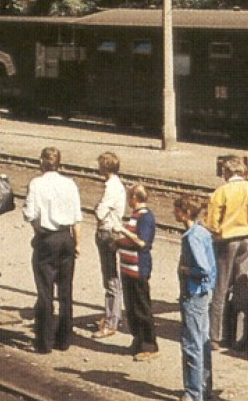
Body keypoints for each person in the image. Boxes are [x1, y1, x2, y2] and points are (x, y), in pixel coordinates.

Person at [205, 154, 248, 350]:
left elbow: (212, 223)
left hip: (226, 241)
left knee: (221, 287)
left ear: (227, 172)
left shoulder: (221, 192)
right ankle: (239, 337)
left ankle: (216, 336)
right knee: (243, 285)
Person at [24, 146, 82, 354]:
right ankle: (64, 339)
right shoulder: (70, 184)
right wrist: (76, 244)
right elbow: (77, 218)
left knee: (45, 291)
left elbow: (31, 215)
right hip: (67, 238)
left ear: (41, 162)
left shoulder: (36, 184)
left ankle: (44, 342)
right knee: (66, 291)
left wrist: (40, 232)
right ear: (59, 163)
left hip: (46, 238)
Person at [172, 193, 217, 401]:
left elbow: (203, 268)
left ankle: (192, 392)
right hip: (204, 293)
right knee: (203, 341)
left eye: (177, 209)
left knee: (192, 343)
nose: (174, 213)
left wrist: (185, 269)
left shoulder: (191, 237)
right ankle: (204, 386)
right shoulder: (203, 231)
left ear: (186, 212)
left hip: (193, 294)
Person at [117, 183, 159, 360]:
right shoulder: (135, 215)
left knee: (141, 307)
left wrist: (123, 233)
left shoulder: (146, 217)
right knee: (132, 307)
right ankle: (138, 340)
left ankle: (149, 345)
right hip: (127, 268)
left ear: (135, 198)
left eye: (129, 198)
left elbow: (143, 242)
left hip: (138, 268)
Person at [90, 152, 128, 338]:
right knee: (111, 277)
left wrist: (97, 208)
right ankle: (112, 315)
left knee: (110, 278)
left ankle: (112, 321)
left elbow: (100, 212)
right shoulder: (115, 185)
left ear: (105, 167)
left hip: (107, 233)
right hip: (111, 232)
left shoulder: (111, 188)